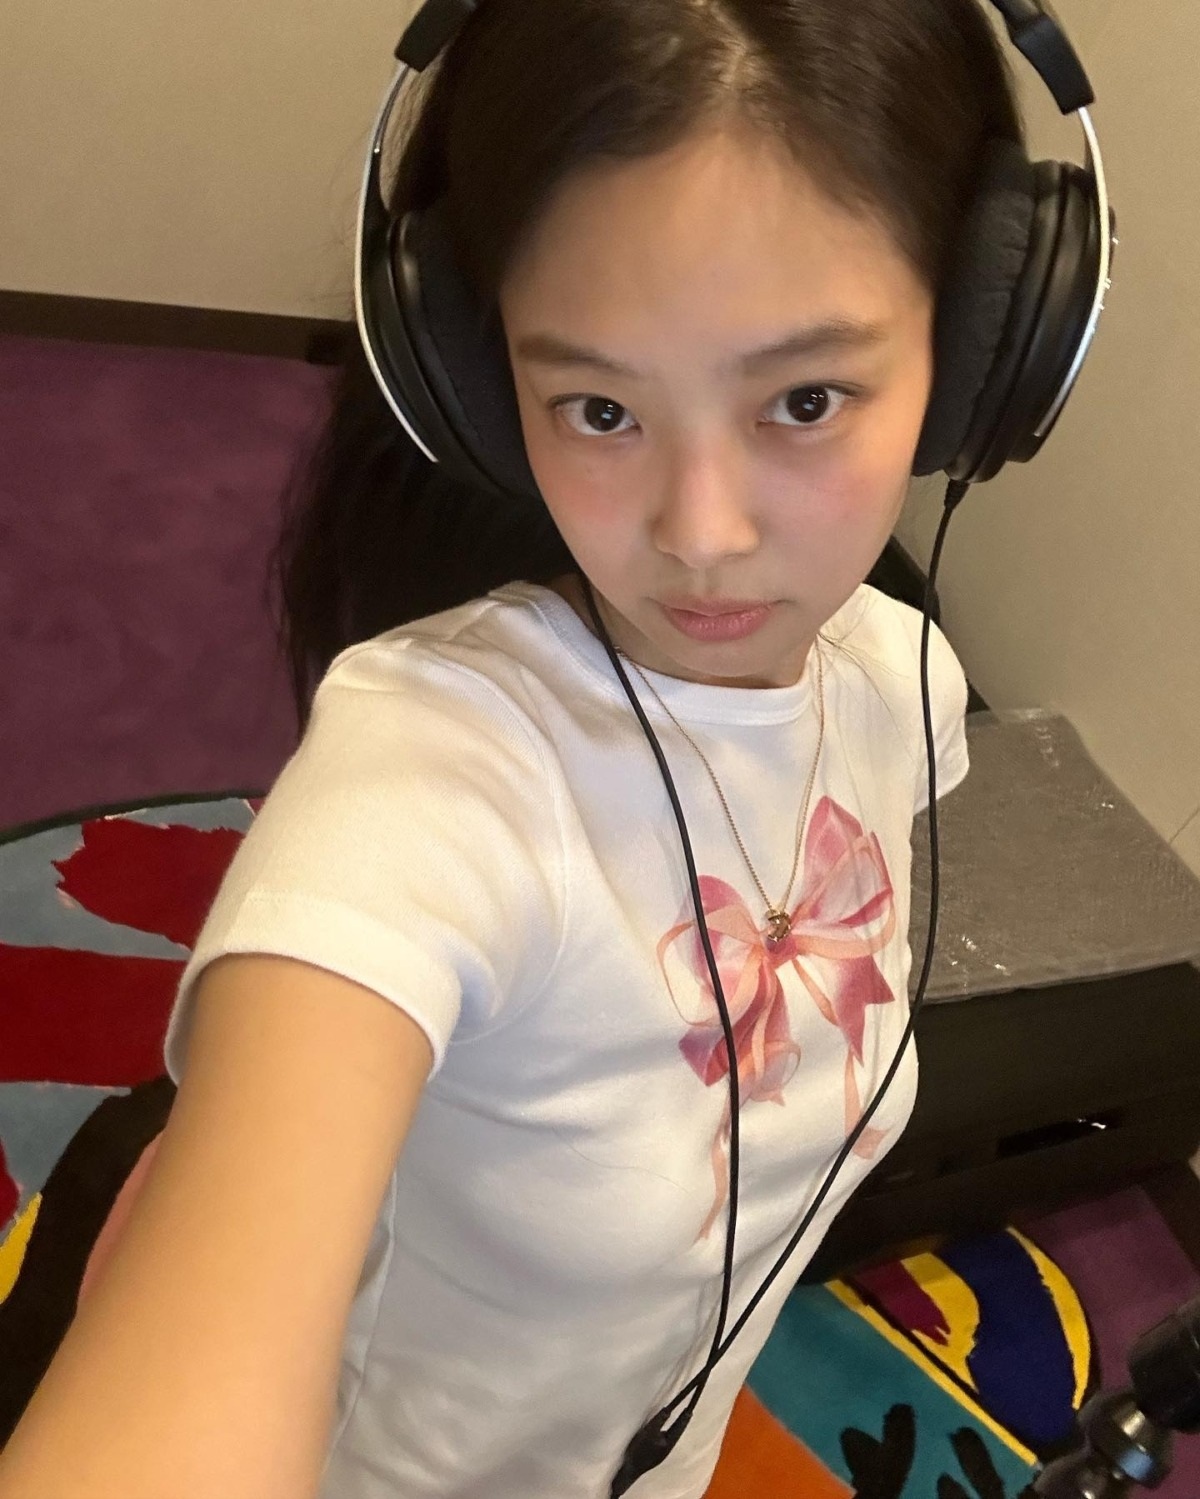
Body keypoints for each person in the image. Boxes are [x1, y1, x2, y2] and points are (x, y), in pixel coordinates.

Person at [0, 0, 1021, 1494]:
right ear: (480, 388)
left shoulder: (899, 682)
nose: (701, 534)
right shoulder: (431, 778)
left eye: (804, 400)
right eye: (599, 407)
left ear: (983, 349)